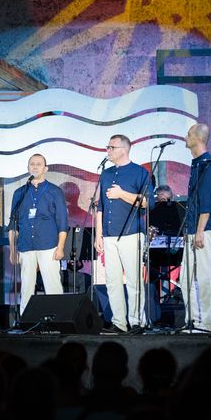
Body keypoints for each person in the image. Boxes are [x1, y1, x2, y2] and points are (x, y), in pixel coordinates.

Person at [95, 134, 153, 333]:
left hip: (131, 234)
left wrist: (122, 194)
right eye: (107, 147)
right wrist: (98, 235)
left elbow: (147, 203)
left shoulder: (140, 172)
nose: (108, 151)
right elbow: (100, 207)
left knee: (134, 280)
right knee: (112, 281)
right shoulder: (105, 174)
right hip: (109, 235)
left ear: (124, 149)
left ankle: (138, 322)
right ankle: (119, 322)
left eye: (111, 147)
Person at [8, 154, 68, 315]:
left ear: (45, 169)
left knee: (52, 284)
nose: (35, 167)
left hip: (48, 244)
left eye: (39, 164)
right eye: (32, 164)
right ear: (28, 168)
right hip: (26, 245)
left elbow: (63, 223)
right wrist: (13, 250)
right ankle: (26, 319)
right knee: (26, 285)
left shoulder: (55, 191)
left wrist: (60, 248)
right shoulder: (20, 193)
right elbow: (13, 224)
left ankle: (58, 319)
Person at [182, 123, 211, 332]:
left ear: (198, 138)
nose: (186, 136)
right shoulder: (197, 164)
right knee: (186, 278)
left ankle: (207, 323)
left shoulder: (208, 164)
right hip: (193, 229)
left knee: (205, 276)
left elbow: (206, 203)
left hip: (204, 229)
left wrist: (199, 231)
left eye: (189, 134)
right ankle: (193, 321)